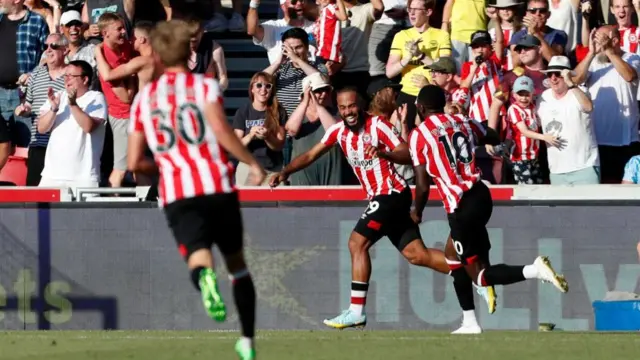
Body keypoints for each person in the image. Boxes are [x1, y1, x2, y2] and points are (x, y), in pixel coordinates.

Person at [127, 20, 265, 360]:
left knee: (198, 257)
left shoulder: (145, 99)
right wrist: (254, 163)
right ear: (188, 50)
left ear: (157, 54)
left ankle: (204, 278)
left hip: (178, 190)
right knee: (238, 266)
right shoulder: (205, 87)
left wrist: (166, 163)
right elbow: (221, 130)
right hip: (216, 184)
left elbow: (133, 162)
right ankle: (247, 341)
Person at [270, 87, 461, 330]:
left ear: (359, 106)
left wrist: (384, 153)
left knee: (356, 243)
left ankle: (356, 311)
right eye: (342, 107)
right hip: (385, 198)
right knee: (418, 255)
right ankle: (474, 275)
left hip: (391, 193)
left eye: (351, 106)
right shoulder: (338, 131)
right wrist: (285, 171)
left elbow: (407, 152)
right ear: (337, 109)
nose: (348, 111)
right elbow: (311, 155)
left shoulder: (378, 125)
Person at [409, 85, 570, 334]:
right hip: (481, 195)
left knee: (480, 276)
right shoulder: (462, 120)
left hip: (460, 206)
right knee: (452, 258)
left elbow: (421, 184)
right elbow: (492, 135)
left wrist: (416, 211)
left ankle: (535, 270)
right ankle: (470, 321)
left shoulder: (419, 135)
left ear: (419, 107)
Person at [36, 60, 108, 188]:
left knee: (83, 209)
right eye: (65, 75)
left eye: (71, 76)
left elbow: (88, 127)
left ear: (85, 79)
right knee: (42, 209)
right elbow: (41, 128)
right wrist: (53, 109)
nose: (66, 79)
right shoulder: (58, 96)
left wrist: (73, 104)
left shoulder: (96, 97)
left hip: (83, 177)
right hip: (52, 175)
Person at [94, 21, 161, 89]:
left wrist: (97, 50)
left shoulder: (142, 61)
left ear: (141, 40)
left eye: (133, 36)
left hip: (147, 98)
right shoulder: (162, 57)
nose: (130, 40)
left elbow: (107, 76)